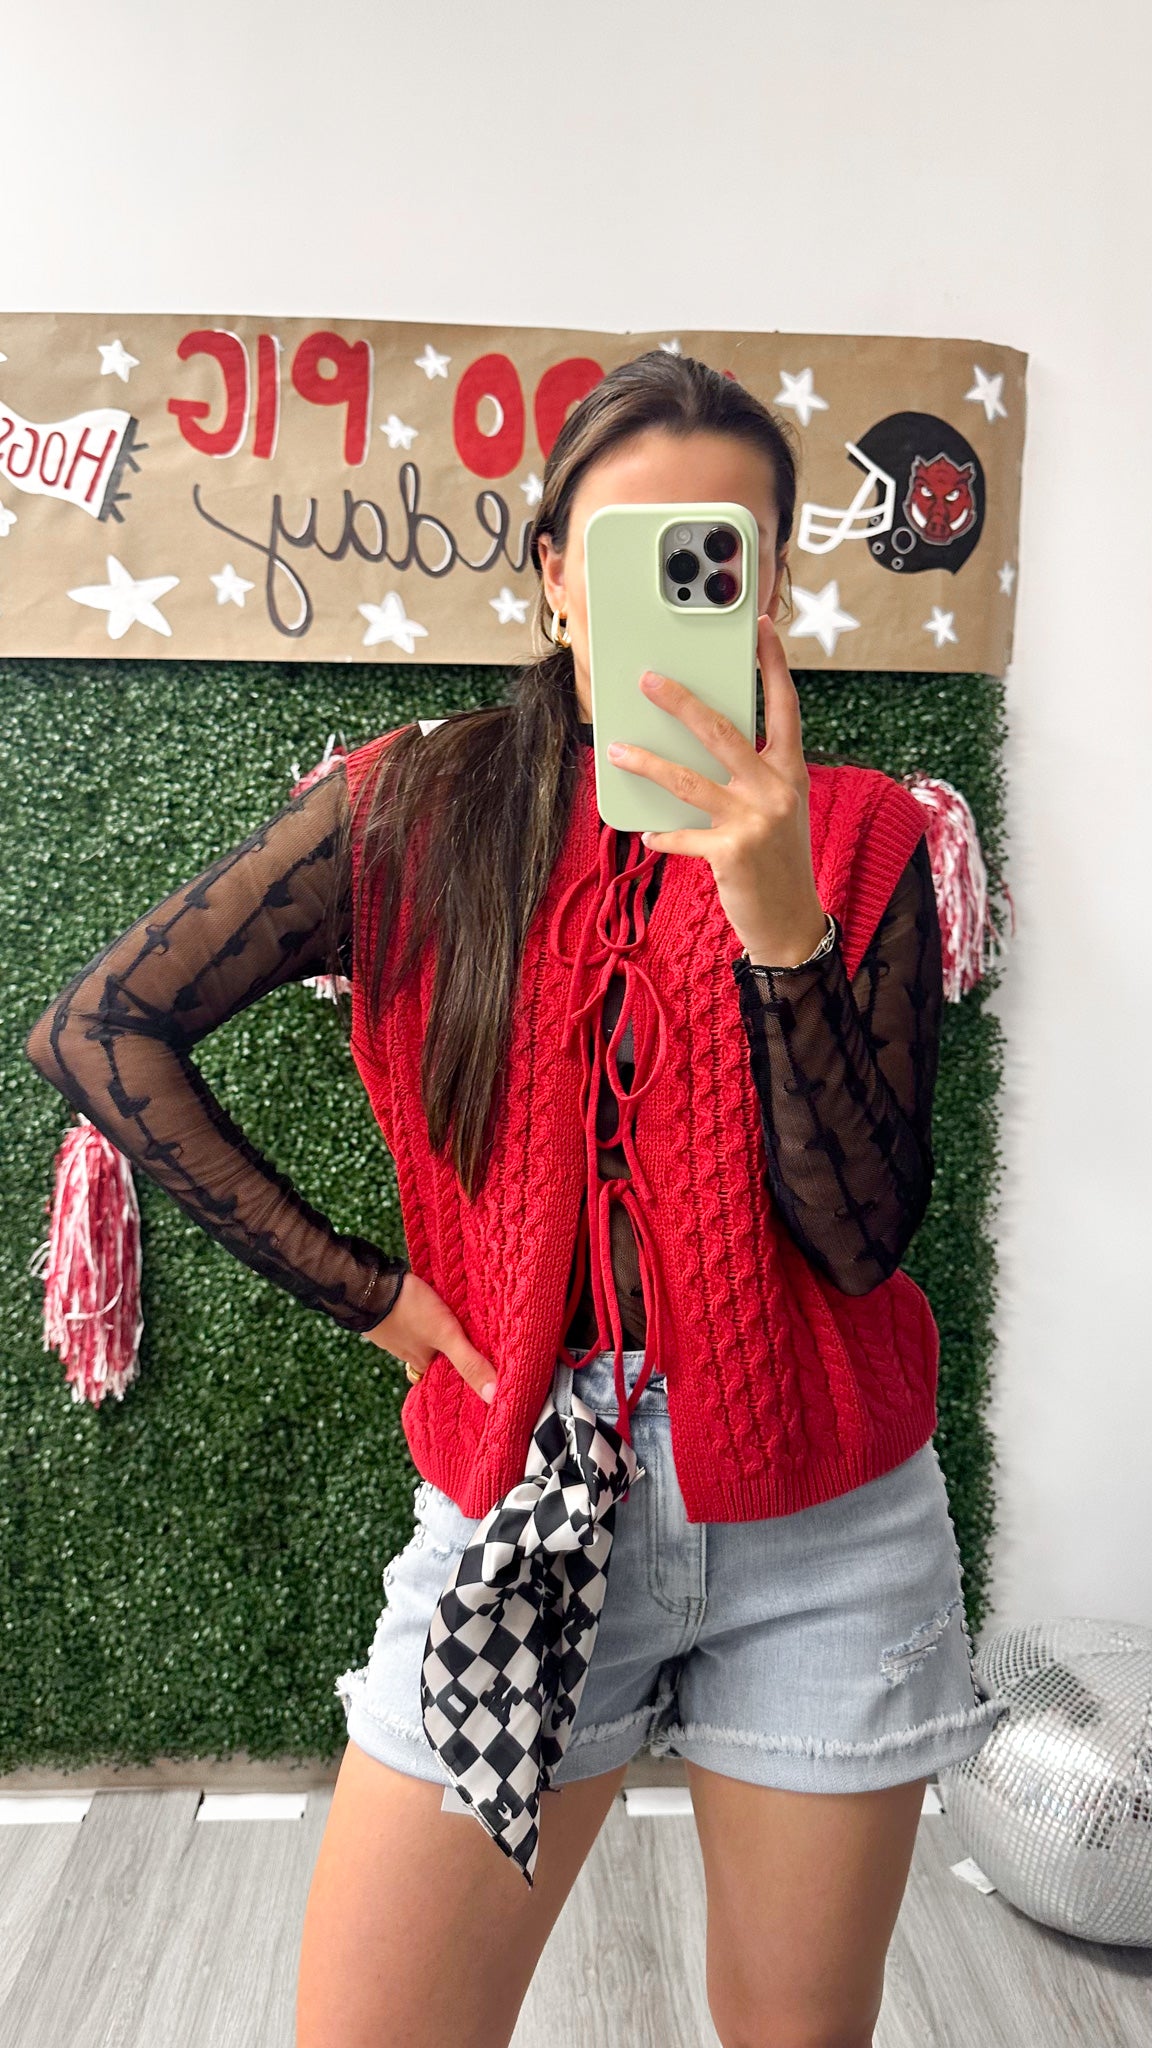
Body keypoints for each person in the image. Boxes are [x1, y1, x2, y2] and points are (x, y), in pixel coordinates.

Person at [24, 351, 1006, 2048]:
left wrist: (779, 919)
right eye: (626, 554)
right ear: (555, 575)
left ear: (770, 585)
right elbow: (102, 1029)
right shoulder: (408, 812)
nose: (669, 599)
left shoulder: (862, 839)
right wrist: (371, 1295)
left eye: (716, 555)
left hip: (828, 1527)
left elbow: (861, 1244)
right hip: (521, 1492)